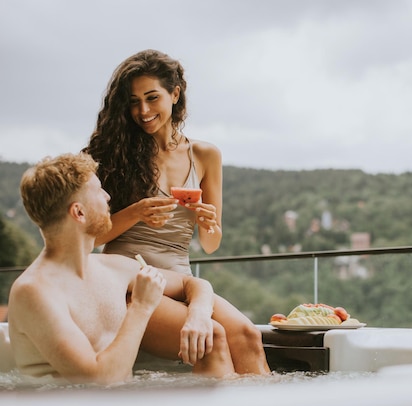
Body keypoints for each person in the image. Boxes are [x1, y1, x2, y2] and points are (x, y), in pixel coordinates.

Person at [83, 50, 269, 375]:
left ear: (175, 94)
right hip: (129, 283)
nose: (143, 110)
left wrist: (208, 222)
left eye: (152, 98)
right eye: (133, 101)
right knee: (216, 339)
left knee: (249, 335)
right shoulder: (112, 155)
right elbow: (87, 241)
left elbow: (211, 244)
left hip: (182, 280)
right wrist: (136, 213)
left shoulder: (205, 155)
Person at [8, 153, 266, 384]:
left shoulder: (111, 268)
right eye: (99, 191)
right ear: (79, 212)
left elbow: (195, 284)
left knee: (210, 336)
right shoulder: (35, 292)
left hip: (123, 405)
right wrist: (142, 306)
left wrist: (198, 315)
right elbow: (97, 382)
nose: (108, 196)